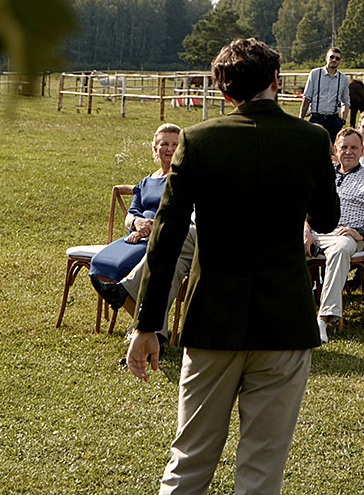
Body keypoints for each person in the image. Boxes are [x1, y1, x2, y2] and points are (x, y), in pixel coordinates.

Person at [128, 39, 339, 495]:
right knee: (261, 471)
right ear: (276, 82)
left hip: (213, 320)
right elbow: (326, 218)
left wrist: (147, 323)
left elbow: (165, 237)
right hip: (283, 320)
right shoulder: (312, 139)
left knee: (189, 463)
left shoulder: (198, 139)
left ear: (225, 94)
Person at [306, 129, 364, 335]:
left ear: (362, 150)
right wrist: (305, 231)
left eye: (354, 147)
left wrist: (362, 233)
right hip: (316, 232)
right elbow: (305, 207)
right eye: (344, 147)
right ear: (335, 149)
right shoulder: (324, 175)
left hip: (346, 235)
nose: (348, 152)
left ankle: (323, 318)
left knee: (340, 249)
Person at [90, 123, 183, 309]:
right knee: (99, 264)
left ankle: (143, 330)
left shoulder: (182, 178)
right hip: (135, 236)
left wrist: (147, 229)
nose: (170, 149)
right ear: (155, 148)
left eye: (175, 144)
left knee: (123, 267)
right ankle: (143, 327)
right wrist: (136, 222)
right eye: (164, 144)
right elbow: (131, 213)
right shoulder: (146, 181)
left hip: (160, 238)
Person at [299, 48, 351, 138]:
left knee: (332, 148)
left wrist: (342, 120)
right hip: (316, 118)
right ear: (326, 58)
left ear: (340, 61)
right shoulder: (315, 74)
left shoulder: (343, 78)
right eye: (332, 57)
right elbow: (307, 97)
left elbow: (346, 101)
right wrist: (301, 119)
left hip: (333, 120)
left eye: (337, 58)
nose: (334, 60)